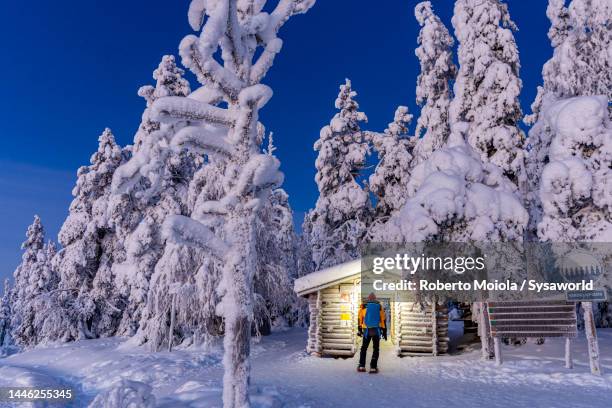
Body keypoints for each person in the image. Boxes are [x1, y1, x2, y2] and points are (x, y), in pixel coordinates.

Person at [357, 292, 387, 373]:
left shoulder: (364, 306)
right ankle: (373, 367)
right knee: (376, 349)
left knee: (364, 348)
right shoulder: (379, 306)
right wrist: (384, 330)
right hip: (376, 330)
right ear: (375, 298)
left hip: (366, 330)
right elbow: (383, 319)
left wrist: (359, 328)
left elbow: (360, 318)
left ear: (368, 298)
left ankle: (361, 366)